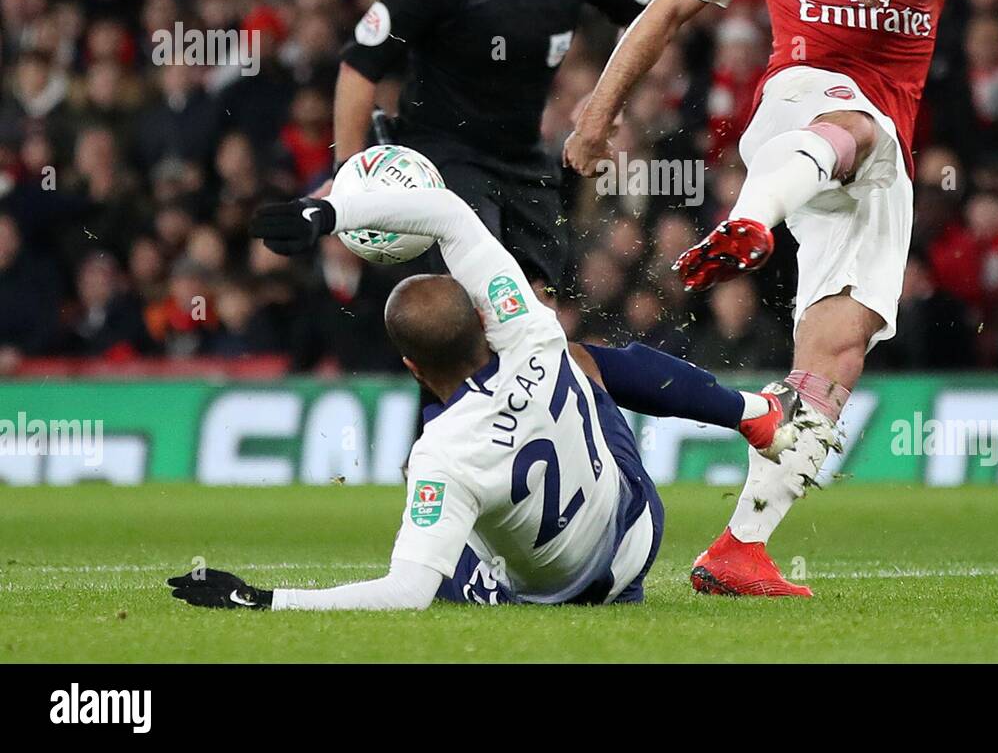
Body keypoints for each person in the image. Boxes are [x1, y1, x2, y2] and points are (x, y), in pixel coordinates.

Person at [564, 0, 998, 596]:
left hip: (882, 165)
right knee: (849, 123)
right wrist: (598, 113)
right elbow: (665, 11)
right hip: (797, 114)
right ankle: (750, 220)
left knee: (833, 360)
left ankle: (740, 547)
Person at [166, 186, 809, 611]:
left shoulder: (440, 453)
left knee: (443, 531)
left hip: (577, 596)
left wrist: (265, 599)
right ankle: (749, 412)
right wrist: (329, 212)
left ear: (410, 365)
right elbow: (445, 211)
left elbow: (406, 593)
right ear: (483, 319)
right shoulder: (530, 330)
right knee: (582, 362)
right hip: (640, 526)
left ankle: (490, 568)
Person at [330, 0, 654, 296]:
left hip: (522, 155)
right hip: (443, 153)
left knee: (540, 300)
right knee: (477, 288)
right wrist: (346, 174)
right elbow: (359, 65)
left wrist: (610, 98)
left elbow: (653, 15)